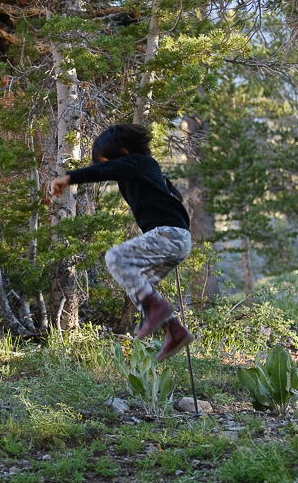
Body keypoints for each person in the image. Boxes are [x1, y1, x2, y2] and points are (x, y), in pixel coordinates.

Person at [49, 124, 194, 361]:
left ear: (124, 154)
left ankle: (161, 312)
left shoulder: (139, 163)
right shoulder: (144, 171)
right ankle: (175, 331)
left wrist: (70, 178)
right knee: (139, 286)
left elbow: (110, 169)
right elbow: (173, 196)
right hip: (176, 239)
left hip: (169, 235)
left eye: (107, 163)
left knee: (115, 258)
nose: (110, 172)